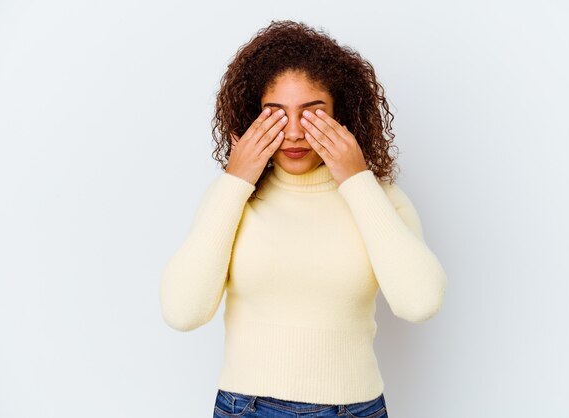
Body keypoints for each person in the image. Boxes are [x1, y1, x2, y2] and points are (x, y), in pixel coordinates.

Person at [159, 19, 447, 418]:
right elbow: (182, 312)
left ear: (341, 116)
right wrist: (235, 181)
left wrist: (357, 180)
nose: (293, 132)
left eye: (312, 115)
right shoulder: (231, 198)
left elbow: (420, 303)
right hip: (248, 408)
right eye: (275, 116)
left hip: (357, 409)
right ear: (252, 116)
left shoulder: (378, 199)